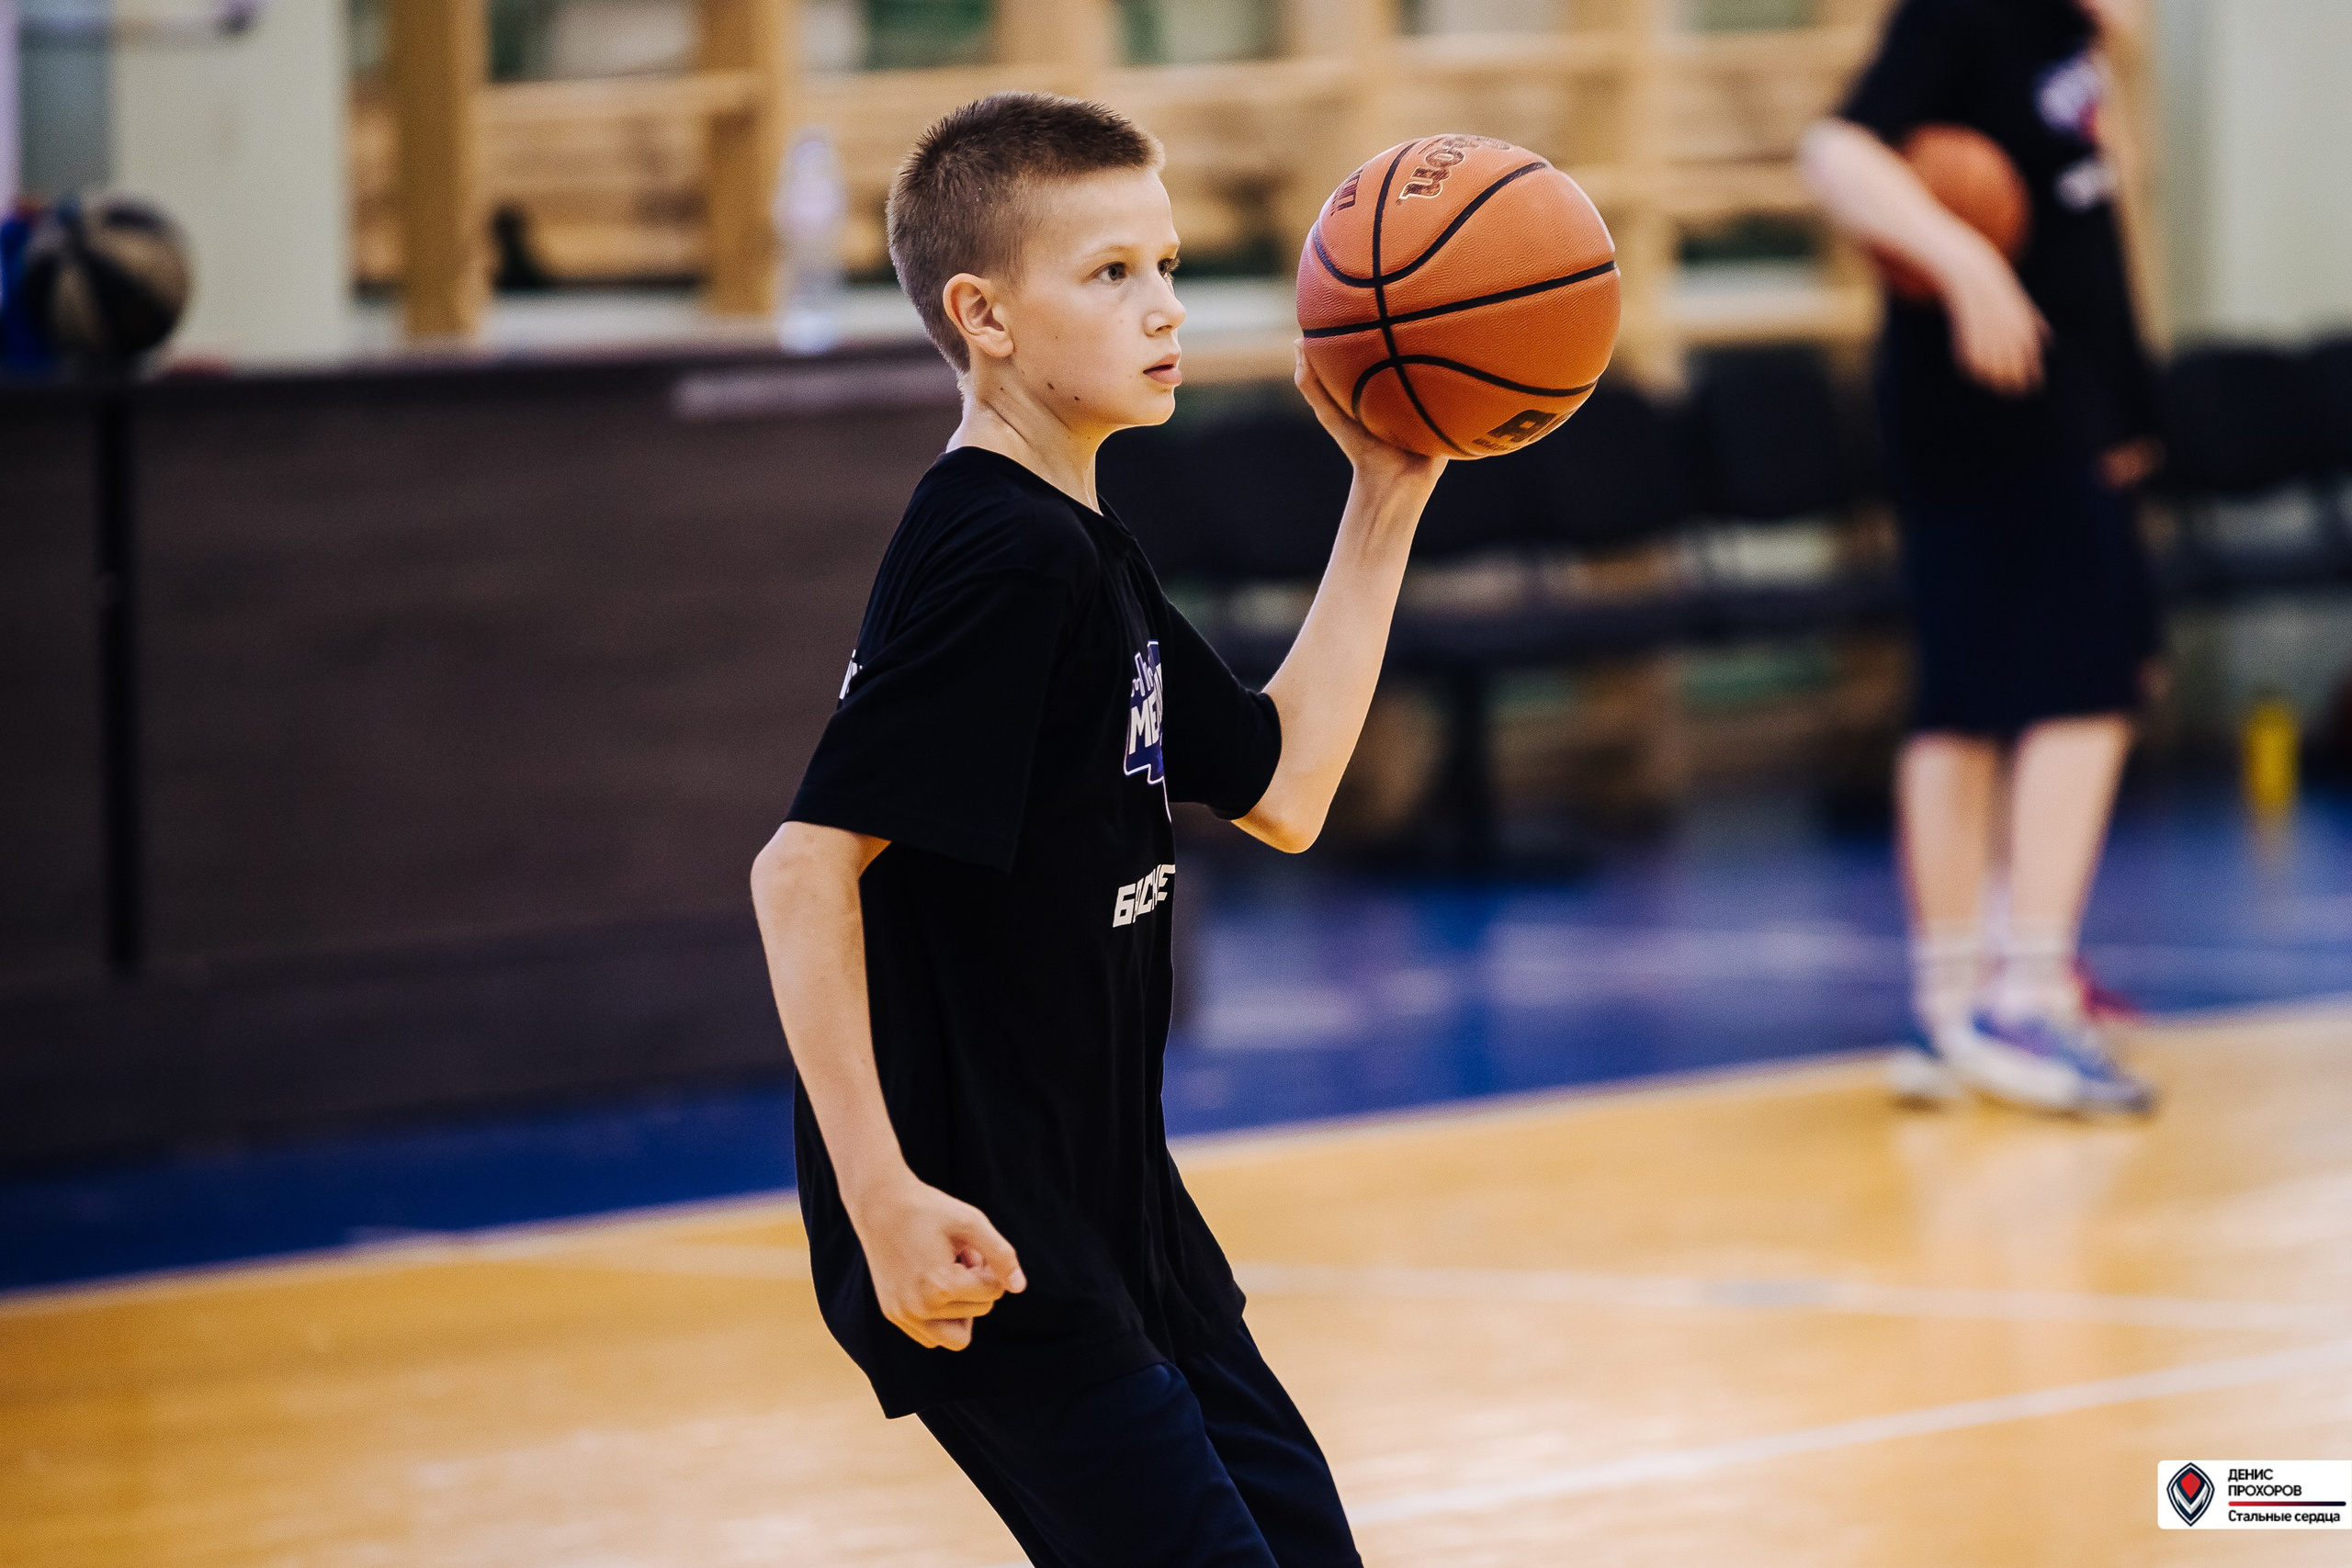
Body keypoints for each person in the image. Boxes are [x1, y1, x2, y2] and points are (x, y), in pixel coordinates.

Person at [749, 93, 1442, 1566]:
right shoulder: (1001, 552)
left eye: (1172, 266)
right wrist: (880, 1199)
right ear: (982, 314)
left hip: (1125, 1216)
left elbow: (1284, 785)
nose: (1164, 307)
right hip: (992, 1239)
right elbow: (802, 869)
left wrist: (1386, 492)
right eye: (1110, 273)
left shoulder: (1079, 542)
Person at [1801, 0, 2161, 1114]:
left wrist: (2124, 401)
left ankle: (1947, 1007)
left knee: (1964, 697)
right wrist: (1959, 258)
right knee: (2086, 681)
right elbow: (1835, 148)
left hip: (2054, 404)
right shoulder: (1967, 10)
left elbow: (2088, 221)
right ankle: (2026, 991)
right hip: (1994, 397)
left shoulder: (2068, 34)